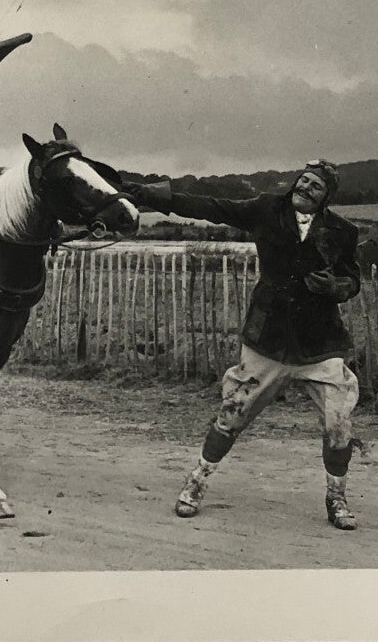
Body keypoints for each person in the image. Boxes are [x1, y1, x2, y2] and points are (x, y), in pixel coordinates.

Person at [125, 160, 363, 530]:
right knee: (232, 413)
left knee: (339, 423)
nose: (305, 187)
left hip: (320, 344)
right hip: (267, 338)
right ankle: (196, 483)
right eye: (303, 180)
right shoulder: (267, 210)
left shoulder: (342, 231)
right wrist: (160, 196)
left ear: (327, 196)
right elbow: (213, 207)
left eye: (316, 185)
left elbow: (352, 280)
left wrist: (336, 288)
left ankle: (337, 497)